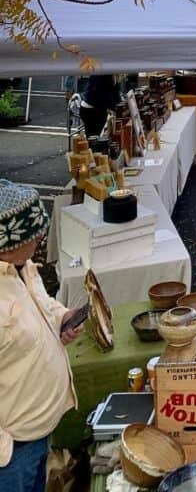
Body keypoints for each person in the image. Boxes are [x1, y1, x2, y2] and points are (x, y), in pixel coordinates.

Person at [0, 181, 85, 491]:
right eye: (34, 233)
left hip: (37, 434)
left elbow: (42, 302)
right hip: (11, 454)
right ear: (6, 244)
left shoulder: (21, 267)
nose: (41, 236)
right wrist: (5, 450)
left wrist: (60, 318)